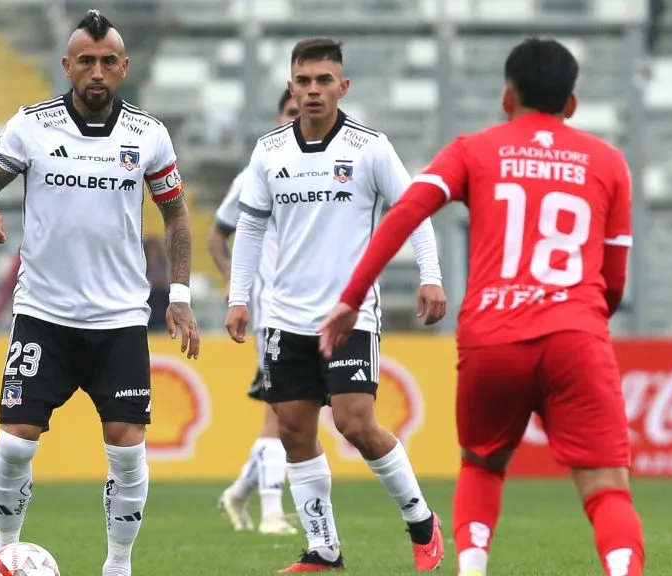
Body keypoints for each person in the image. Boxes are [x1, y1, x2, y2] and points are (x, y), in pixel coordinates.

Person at [319, 38, 644, 576]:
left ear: (506, 96)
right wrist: (579, 322)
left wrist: (352, 298)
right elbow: (613, 283)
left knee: (482, 467)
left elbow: (405, 213)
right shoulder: (608, 162)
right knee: (607, 490)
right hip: (577, 337)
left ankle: (472, 570)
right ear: (572, 104)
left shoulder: (475, 149)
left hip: (493, 335)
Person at [0, 10, 200, 576]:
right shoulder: (31, 126)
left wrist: (180, 295)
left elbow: (178, 216)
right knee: (16, 441)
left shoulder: (148, 134)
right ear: (67, 66)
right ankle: (3, 552)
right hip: (43, 314)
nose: (96, 71)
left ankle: (118, 564)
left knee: (128, 449)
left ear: (124, 68)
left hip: (118, 320)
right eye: (85, 61)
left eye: (108, 62)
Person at [225, 38, 448, 573]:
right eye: (303, 81)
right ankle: (323, 549)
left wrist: (431, 276)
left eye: (324, 81)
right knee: (295, 431)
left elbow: (414, 209)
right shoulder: (270, 151)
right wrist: (238, 297)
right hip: (284, 319)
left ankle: (421, 521)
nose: (313, 91)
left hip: (348, 317)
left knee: (354, 423)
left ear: (342, 87)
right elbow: (252, 224)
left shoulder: (370, 147)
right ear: (291, 87)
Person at [208, 88, 300, 536]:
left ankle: (240, 494)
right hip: (270, 311)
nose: (296, 119)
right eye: (289, 112)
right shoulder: (255, 175)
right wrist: (236, 285)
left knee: (294, 414)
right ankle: (272, 514)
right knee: (279, 412)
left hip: (312, 308)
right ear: (279, 116)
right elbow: (217, 236)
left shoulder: (325, 173)